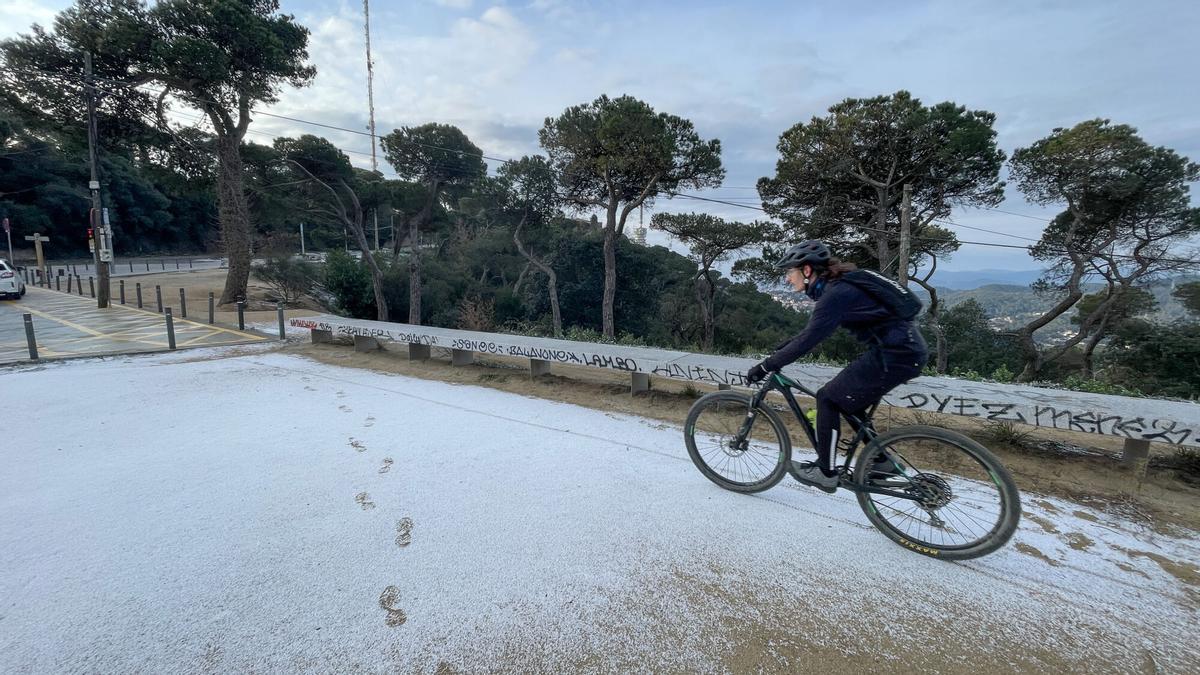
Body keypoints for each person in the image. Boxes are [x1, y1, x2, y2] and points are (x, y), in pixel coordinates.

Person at [745, 241, 928, 493]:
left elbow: (809, 340)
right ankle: (883, 461)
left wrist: (765, 366)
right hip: (901, 351)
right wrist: (785, 347)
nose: (788, 279)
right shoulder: (840, 285)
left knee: (828, 398)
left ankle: (825, 471)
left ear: (807, 270)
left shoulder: (835, 294)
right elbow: (812, 332)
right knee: (850, 403)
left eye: (790, 272)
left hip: (896, 354)